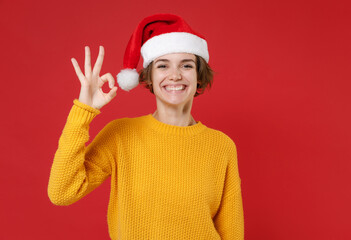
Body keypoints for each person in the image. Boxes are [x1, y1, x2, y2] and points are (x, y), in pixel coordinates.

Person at [48, 13, 244, 239]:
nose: (175, 75)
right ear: (148, 77)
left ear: (198, 76)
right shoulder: (121, 135)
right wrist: (83, 111)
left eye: (186, 65)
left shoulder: (221, 146)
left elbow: (232, 231)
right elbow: (62, 192)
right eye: (163, 65)